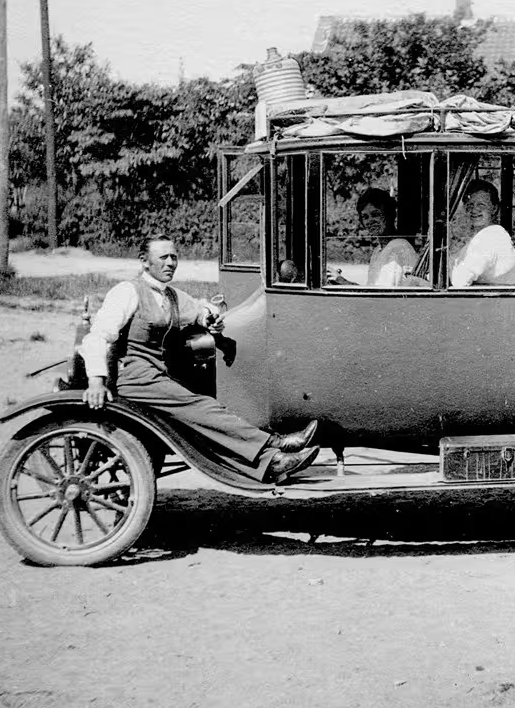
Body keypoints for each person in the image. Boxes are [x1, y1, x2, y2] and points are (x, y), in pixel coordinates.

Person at [80, 237, 319, 485]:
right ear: (144, 261)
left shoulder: (170, 295)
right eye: (163, 258)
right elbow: (98, 336)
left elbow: (200, 309)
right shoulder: (127, 291)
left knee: (199, 417)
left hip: (159, 376)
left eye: (174, 257)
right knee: (201, 406)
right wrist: (96, 381)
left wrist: (209, 318)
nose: (171, 263)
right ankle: (275, 443)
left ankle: (271, 461)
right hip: (134, 378)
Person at [327, 188, 420, 287]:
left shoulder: (398, 247)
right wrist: (341, 281)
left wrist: (344, 282)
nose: (370, 221)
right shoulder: (378, 250)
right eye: (365, 217)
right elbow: (373, 290)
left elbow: (380, 297)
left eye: (375, 214)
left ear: (390, 214)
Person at [449, 180, 515, 287]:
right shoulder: (480, 236)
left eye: (481, 205)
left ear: (494, 208)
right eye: (470, 204)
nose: (474, 210)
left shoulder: (491, 236)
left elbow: (460, 280)